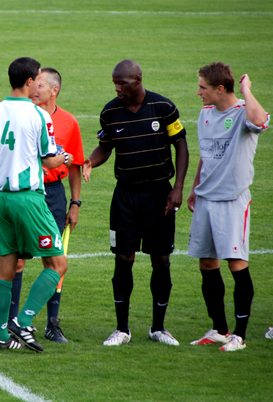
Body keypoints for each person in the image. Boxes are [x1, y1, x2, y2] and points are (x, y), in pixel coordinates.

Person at [82, 59, 189, 346]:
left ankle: (159, 328)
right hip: (126, 197)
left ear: (138, 79)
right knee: (122, 259)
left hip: (159, 195)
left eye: (122, 83)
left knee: (161, 260)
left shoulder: (164, 108)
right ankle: (122, 329)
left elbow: (181, 145)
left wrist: (177, 187)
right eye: (114, 83)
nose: (117, 87)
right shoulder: (110, 112)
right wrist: (90, 161)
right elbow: (106, 147)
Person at [0, 57, 70, 352]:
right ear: (28, 82)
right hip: (30, 199)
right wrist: (65, 157)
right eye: (37, 80)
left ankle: (1, 335)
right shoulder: (40, 116)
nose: (39, 85)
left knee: (6, 270)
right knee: (58, 264)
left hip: (3, 202)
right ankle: (23, 321)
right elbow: (50, 160)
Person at [187, 62, 269, 352]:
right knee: (207, 264)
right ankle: (220, 329)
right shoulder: (205, 113)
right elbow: (205, 152)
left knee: (236, 264)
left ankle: (240, 335)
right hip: (206, 198)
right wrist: (195, 188)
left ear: (220, 89)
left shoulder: (241, 114)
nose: (198, 92)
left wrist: (246, 90)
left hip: (232, 201)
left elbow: (261, 122)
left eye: (203, 87)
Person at [8, 68, 84, 344]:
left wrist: (75, 203)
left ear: (54, 90)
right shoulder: (26, 116)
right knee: (17, 261)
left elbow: (74, 167)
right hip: (28, 192)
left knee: (52, 260)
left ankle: (53, 323)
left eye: (40, 85)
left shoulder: (69, 122)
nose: (34, 89)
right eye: (34, 84)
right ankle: (13, 322)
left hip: (53, 194)